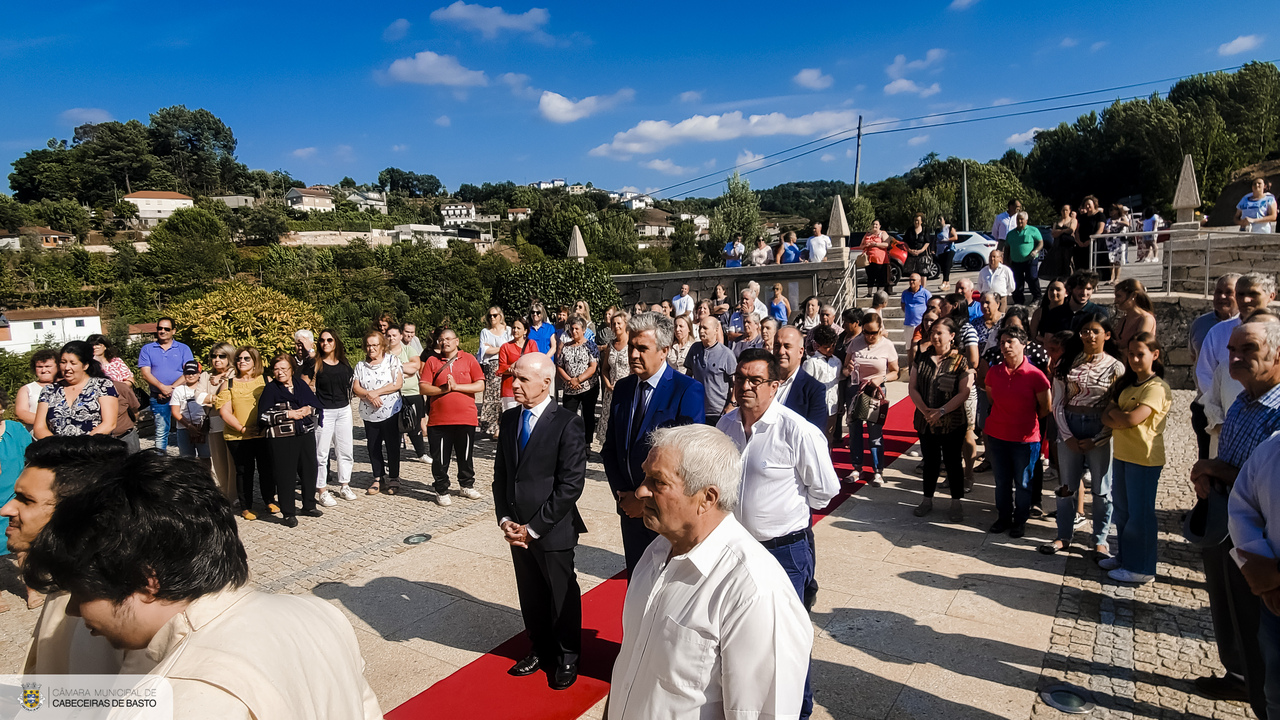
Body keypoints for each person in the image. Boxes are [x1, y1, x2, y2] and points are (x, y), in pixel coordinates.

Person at [20, 450, 383, 718]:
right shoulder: (318, 613)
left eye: (84, 591)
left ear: (147, 581)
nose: (72, 609)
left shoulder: (177, 699)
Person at [608, 424, 812, 719]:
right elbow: (629, 666)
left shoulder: (755, 592)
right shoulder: (655, 554)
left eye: (658, 482)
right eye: (645, 476)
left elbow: (761, 713)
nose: (641, 490)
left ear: (707, 498)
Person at [717, 348, 838, 720]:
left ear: (775, 385)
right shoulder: (726, 427)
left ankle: (797, 711)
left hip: (784, 552)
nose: (746, 387)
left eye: (755, 380)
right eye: (740, 379)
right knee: (739, 636)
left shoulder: (797, 431)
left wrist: (783, 509)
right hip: (734, 550)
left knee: (787, 640)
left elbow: (824, 490)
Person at [1190, 313, 1280, 715]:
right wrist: (1209, 475)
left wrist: (1214, 469)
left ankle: (1261, 696)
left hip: (1262, 534)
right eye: (1231, 350)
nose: (1236, 357)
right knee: (1228, 607)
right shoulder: (1243, 401)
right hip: (1227, 516)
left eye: (1249, 350)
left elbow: (1264, 478)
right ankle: (1239, 675)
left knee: (1258, 618)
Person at [493, 353, 588, 690]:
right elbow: (502, 475)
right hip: (517, 529)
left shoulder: (566, 422)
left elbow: (571, 485)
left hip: (551, 529)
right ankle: (539, 649)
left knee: (560, 593)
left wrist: (534, 528)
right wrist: (505, 519)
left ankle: (567, 656)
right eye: (513, 378)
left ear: (547, 383)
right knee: (531, 593)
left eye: (522, 379)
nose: (514, 385)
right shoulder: (509, 420)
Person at [4, 436, 129, 672]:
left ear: (77, 512)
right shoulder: (65, 576)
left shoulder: (113, 614)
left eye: (26, 500)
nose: (6, 509)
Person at [601, 312, 706, 573]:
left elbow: (686, 460)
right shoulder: (623, 389)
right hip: (629, 511)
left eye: (642, 348)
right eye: (631, 347)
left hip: (666, 513)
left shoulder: (686, 390)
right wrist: (624, 497)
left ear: (663, 351)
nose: (634, 354)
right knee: (638, 584)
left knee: (667, 589)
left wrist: (645, 499)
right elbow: (611, 448)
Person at [1040, 316, 1125, 556]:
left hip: (1100, 427)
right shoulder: (1065, 363)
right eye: (1085, 331)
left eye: (1095, 331)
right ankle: (1063, 535)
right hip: (1070, 423)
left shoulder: (1116, 367)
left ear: (1106, 335)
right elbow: (1057, 402)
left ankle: (1100, 539)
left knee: (1101, 488)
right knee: (1066, 486)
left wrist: (1099, 438)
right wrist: (1066, 435)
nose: (1089, 336)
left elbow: (1116, 406)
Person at [1097, 332, 1170, 584]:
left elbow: (1131, 419)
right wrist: (1119, 415)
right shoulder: (1127, 385)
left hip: (1144, 458)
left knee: (1141, 515)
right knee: (1124, 511)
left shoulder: (1157, 387)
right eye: (1131, 354)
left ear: (1154, 355)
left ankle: (1142, 568)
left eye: (1141, 354)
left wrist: (1119, 415)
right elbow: (1106, 415)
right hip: (1123, 455)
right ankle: (1126, 557)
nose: (1135, 359)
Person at [1228, 436, 1280, 719]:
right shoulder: (1273, 448)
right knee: (1275, 698)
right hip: (1273, 604)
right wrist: (1258, 567)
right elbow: (1243, 506)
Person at [1198, 273, 1276, 455]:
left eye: (1253, 294)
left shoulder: (1276, 331)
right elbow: (1205, 377)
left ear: (1271, 296)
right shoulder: (1218, 333)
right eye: (1240, 294)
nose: (1246, 300)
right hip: (1226, 427)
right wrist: (1223, 423)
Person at [985, 326, 1051, 538]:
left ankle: (1020, 520)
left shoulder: (1036, 376)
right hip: (997, 435)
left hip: (1025, 439)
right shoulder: (994, 372)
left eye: (1010, 341)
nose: (1005, 346)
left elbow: (1045, 407)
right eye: (1002, 342)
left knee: (1023, 483)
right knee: (1002, 481)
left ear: (1024, 344)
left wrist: (1024, 420)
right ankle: (1003, 516)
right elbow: (991, 399)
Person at [909, 318, 973, 521]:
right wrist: (926, 410)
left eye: (940, 333)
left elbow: (963, 393)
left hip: (952, 421)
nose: (934, 336)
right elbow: (912, 387)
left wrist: (942, 411)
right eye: (933, 332)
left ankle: (956, 503)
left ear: (952, 336)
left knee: (953, 461)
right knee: (930, 461)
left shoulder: (960, 361)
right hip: (925, 420)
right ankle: (927, 499)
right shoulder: (922, 358)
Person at [421, 328, 485, 506]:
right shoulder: (432, 361)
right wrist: (443, 390)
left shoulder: (469, 359)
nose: (445, 342)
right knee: (440, 458)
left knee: (465, 455)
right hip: (439, 420)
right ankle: (441, 488)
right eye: (441, 340)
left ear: (457, 341)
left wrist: (457, 387)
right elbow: (423, 387)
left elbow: (479, 384)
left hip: (466, 417)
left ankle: (466, 485)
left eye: (448, 339)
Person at [259, 354, 324, 527]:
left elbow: (316, 405)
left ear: (292, 370)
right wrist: (288, 414)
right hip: (282, 439)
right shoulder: (271, 389)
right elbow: (263, 416)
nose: (280, 373)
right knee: (285, 474)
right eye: (276, 369)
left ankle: (309, 505)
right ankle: (288, 512)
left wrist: (308, 409)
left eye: (284, 369)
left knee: (309, 469)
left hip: (304, 434)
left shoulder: (300, 385)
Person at [842, 312, 898, 485]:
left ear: (880, 330)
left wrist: (882, 378)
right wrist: (848, 369)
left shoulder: (887, 345)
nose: (870, 336)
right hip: (855, 389)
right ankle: (857, 467)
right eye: (866, 332)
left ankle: (878, 470)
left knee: (874, 432)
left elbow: (896, 371)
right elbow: (844, 369)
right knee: (854, 431)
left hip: (875, 391)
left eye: (874, 332)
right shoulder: (854, 343)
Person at [217, 347, 272, 520]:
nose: (242, 361)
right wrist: (243, 428)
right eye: (239, 358)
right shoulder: (228, 383)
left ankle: (269, 500)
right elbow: (224, 412)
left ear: (255, 361)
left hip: (263, 433)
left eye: (247, 358)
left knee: (267, 468)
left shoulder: (266, 380)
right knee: (243, 471)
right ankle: (246, 507)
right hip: (238, 436)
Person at [1190, 275, 1241, 459]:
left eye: (1229, 292)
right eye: (1218, 292)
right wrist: (1216, 405)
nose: (1222, 297)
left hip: (1239, 408)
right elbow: (1197, 362)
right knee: (1207, 461)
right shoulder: (1200, 325)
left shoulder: (1257, 328)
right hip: (1205, 406)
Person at [34, 340, 119, 439]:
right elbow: (39, 427)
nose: (67, 368)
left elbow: (109, 424)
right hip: (58, 451)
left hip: (94, 449)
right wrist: (59, 447)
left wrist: (79, 447)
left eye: (73, 363)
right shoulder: (49, 390)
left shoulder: (103, 386)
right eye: (63, 362)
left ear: (85, 365)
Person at [353, 331, 403, 497]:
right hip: (369, 413)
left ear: (382, 346)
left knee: (392, 445)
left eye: (374, 345)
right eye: (368, 345)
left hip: (390, 411)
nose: (371, 348)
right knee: (373, 446)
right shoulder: (360, 365)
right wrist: (368, 395)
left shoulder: (391, 361)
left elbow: (397, 383)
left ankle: (394, 477)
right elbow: (356, 387)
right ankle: (378, 477)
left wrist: (376, 392)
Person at [137, 316, 194, 454]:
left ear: (173, 331)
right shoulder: (147, 349)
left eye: (166, 329)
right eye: (160, 328)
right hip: (158, 396)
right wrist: (162, 388)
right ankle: (160, 461)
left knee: (186, 427)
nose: (162, 331)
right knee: (161, 430)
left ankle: (188, 458)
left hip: (181, 394)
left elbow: (189, 371)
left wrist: (172, 388)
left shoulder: (183, 348)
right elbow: (145, 373)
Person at [313, 330, 357, 504]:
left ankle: (345, 485)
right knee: (321, 453)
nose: (326, 343)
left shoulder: (345, 364)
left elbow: (353, 385)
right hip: (325, 411)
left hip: (344, 410)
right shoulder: (316, 364)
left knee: (345, 450)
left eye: (329, 340)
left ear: (335, 342)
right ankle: (322, 490)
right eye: (322, 340)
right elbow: (303, 384)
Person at [386, 326, 427, 463]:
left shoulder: (409, 350)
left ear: (400, 336)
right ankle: (393, 456)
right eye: (389, 335)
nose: (392, 338)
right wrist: (405, 368)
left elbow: (415, 366)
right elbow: (383, 372)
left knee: (415, 426)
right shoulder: (383, 353)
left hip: (413, 393)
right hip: (392, 394)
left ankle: (421, 454)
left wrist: (394, 367)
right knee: (393, 427)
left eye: (394, 335)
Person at [557, 316, 600, 447]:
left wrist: (578, 380)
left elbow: (593, 367)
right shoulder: (565, 347)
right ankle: (569, 442)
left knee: (588, 415)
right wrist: (570, 380)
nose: (574, 331)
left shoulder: (591, 346)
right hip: (570, 388)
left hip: (588, 387)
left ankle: (587, 443)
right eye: (572, 329)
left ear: (583, 330)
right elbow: (559, 365)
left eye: (577, 329)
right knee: (568, 416)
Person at [775, 326, 828, 431]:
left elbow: (814, 434)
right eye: (777, 345)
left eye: (787, 346)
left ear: (800, 352)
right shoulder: (762, 383)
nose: (781, 351)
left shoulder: (814, 390)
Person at [0, 389, 33, 559]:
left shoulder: (15, 430)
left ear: (2, 408)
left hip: (13, 501)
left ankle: (30, 584)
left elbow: (32, 461)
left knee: (22, 544)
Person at [686, 315, 735, 427]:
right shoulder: (694, 349)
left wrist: (732, 404)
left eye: (705, 328)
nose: (701, 331)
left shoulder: (726, 354)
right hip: (699, 409)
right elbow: (688, 376)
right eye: (700, 328)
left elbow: (735, 382)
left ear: (716, 330)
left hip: (719, 411)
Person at [203, 343, 236, 502]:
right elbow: (198, 397)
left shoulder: (237, 374)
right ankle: (225, 496)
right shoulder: (205, 375)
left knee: (233, 461)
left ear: (229, 357)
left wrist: (211, 399)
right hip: (214, 422)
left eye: (221, 356)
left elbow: (237, 398)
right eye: (214, 356)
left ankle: (235, 495)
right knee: (219, 462)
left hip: (233, 422)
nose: (217, 360)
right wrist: (220, 400)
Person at [1039, 269, 1110, 336]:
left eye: (1088, 289)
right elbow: (1048, 341)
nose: (1084, 293)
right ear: (1070, 289)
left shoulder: (1099, 312)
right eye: (1080, 288)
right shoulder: (1055, 313)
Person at [596, 312, 631, 443]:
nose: (616, 326)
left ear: (625, 324)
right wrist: (607, 385)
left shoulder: (631, 344)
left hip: (626, 390)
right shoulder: (610, 345)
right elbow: (605, 368)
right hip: (610, 391)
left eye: (619, 323)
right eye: (613, 323)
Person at [802, 324, 841, 442]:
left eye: (833, 346)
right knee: (815, 437)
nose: (831, 349)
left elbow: (838, 383)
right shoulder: (811, 363)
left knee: (829, 437)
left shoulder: (837, 361)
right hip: (816, 407)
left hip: (832, 406)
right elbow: (805, 387)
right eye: (827, 347)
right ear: (818, 346)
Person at [478, 306, 513, 438]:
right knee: (492, 397)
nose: (492, 318)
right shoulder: (485, 332)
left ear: (500, 316)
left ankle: (505, 425)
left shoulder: (508, 330)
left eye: (495, 315)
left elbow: (511, 347)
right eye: (490, 316)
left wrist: (496, 348)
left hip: (505, 365)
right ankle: (494, 428)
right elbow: (484, 351)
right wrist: (502, 348)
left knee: (505, 396)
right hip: (491, 367)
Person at [170, 360, 210, 462]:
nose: (191, 375)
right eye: (188, 373)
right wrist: (188, 426)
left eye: (194, 373)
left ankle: (206, 476)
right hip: (184, 427)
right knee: (187, 459)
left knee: (205, 457)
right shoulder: (178, 390)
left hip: (202, 427)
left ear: (199, 374)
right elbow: (175, 412)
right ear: (184, 374)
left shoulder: (206, 388)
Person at [499, 317, 540, 413]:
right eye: (513, 328)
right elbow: (501, 367)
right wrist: (510, 368)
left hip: (528, 387)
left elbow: (535, 362)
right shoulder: (505, 347)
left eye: (518, 328)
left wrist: (518, 365)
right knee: (511, 417)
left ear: (525, 331)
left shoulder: (531, 344)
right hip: (509, 388)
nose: (515, 330)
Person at [1004, 212, 1044, 304]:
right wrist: (1006, 260)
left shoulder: (1033, 230)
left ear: (1026, 220)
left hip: (1030, 260)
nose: (1019, 221)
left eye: (1021, 219)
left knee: (1031, 278)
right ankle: (1019, 301)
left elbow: (1040, 243)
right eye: (1018, 219)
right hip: (1015, 261)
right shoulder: (1011, 234)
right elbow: (1007, 247)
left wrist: (1035, 251)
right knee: (1017, 282)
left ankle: (1037, 297)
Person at [16, 349, 58, 429]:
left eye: (48, 366)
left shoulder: (66, 386)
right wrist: (50, 421)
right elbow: (21, 413)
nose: (44, 370)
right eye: (39, 367)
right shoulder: (26, 389)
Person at [1114, 278, 1157, 352]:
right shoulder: (1124, 319)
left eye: (1119, 296)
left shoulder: (1146, 319)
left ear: (1133, 295)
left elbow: (1138, 346)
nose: (1115, 301)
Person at [901, 272, 932, 364]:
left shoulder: (926, 293)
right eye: (910, 280)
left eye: (913, 280)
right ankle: (910, 364)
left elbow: (930, 306)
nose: (911, 282)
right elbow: (903, 304)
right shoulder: (905, 293)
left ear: (919, 281)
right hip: (909, 324)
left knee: (921, 345)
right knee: (909, 346)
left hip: (921, 324)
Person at [860, 220, 893, 296]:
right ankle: (869, 293)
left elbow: (886, 244)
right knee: (870, 276)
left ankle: (880, 293)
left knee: (881, 276)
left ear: (879, 226)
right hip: (868, 259)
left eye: (876, 224)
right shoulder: (867, 235)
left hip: (880, 259)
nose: (875, 226)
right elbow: (861, 245)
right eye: (873, 224)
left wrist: (875, 244)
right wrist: (866, 245)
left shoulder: (883, 233)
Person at [1076, 195, 1106, 274]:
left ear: (1094, 204)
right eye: (1086, 204)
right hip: (1082, 244)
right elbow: (1077, 230)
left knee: (1094, 266)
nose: (1087, 206)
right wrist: (1078, 241)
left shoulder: (1100, 215)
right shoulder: (1082, 217)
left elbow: (1100, 229)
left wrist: (1090, 241)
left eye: (1089, 204)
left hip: (1095, 243)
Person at [1104, 204, 1131, 282]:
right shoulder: (1108, 220)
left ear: (1117, 210)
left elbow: (1127, 224)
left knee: (1117, 260)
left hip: (1119, 241)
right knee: (1110, 260)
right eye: (1110, 210)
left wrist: (1118, 222)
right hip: (1110, 241)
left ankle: (1117, 278)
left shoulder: (1122, 218)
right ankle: (1111, 278)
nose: (1110, 212)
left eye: (1112, 210)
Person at [1051, 204, 1079, 274]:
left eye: (1066, 210)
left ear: (1069, 211)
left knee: (1068, 263)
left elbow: (1071, 230)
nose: (1064, 212)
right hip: (1058, 245)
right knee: (1058, 264)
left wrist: (1060, 231)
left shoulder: (1073, 220)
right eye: (1063, 210)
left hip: (1068, 245)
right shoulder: (1057, 221)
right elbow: (1053, 233)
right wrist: (1064, 231)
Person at [935, 214, 958, 291]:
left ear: (944, 220)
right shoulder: (937, 230)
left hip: (949, 249)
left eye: (940, 219)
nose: (939, 221)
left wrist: (946, 240)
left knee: (947, 265)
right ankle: (947, 284)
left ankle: (944, 282)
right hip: (940, 251)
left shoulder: (948, 227)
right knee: (943, 267)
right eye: (938, 219)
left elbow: (955, 237)